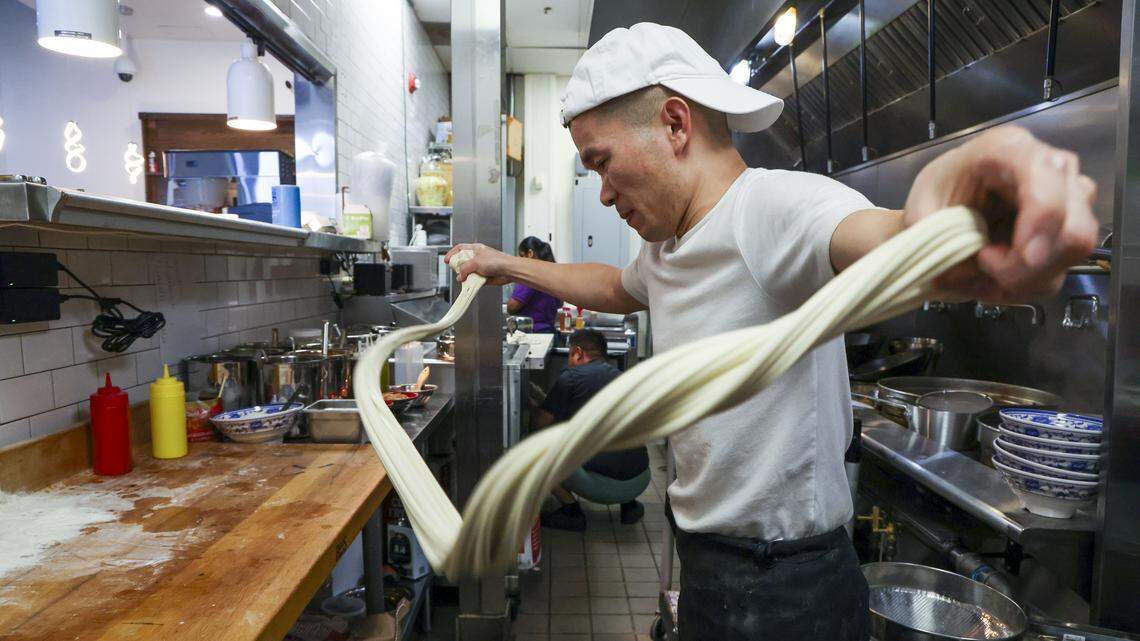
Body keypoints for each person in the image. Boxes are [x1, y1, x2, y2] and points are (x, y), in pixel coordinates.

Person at [447, 22, 1097, 641]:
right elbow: (615, 285)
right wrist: (505, 265)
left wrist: (950, 221)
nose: (604, 191)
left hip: (786, 581)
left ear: (675, 123)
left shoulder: (770, 208)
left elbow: (882, 236)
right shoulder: (670, 248)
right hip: (709, 561)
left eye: (601, 161)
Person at [531, 329, 650, 531]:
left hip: (605, 488)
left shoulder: (571, 377)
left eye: (569, 354)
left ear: (577, 352)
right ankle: (628, 505)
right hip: (640, 478)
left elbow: (539, 424)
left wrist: (530, 409)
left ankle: (571, 511)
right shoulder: (622, 378)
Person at [508, 236, 562, 332]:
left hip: (533, 332)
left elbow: (512, 307)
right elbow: (559, 304)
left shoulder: (531, 275)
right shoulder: (552, 272)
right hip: (549, 330)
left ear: (530, 254)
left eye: (521, 256)